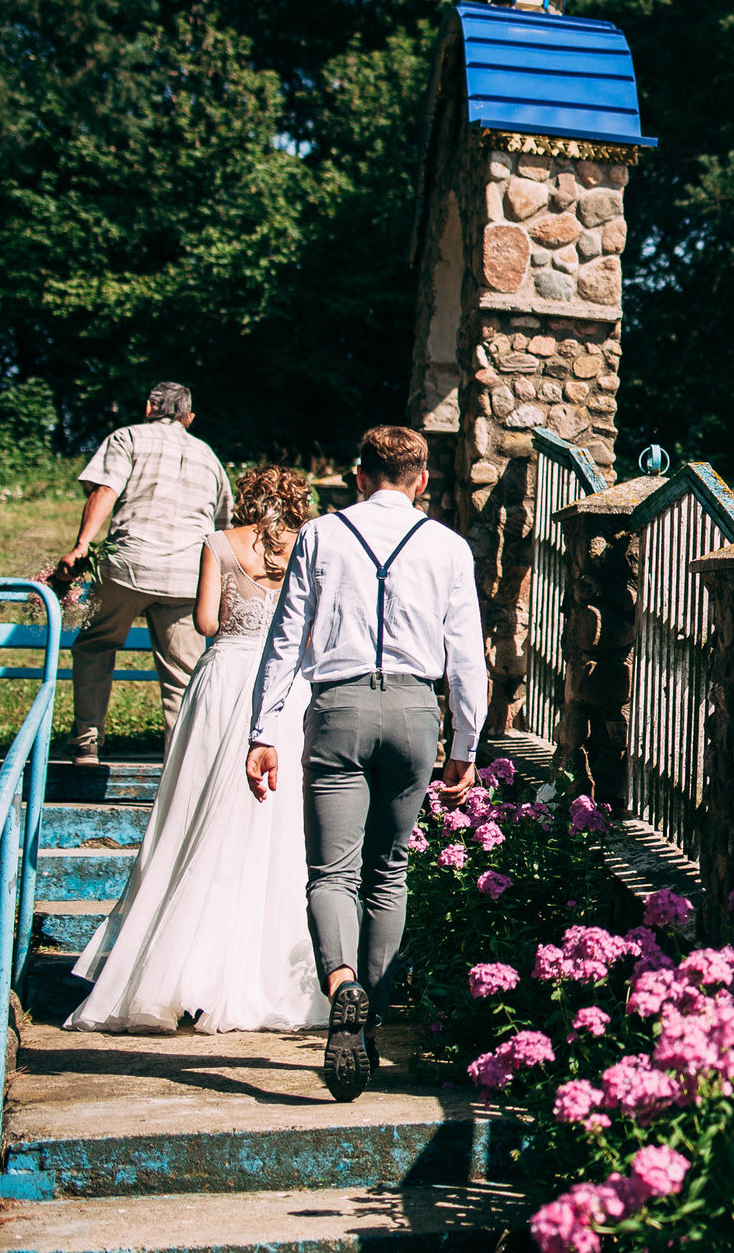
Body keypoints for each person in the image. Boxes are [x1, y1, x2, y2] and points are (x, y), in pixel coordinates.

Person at [247, 425, 484, 1100]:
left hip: (339, 710)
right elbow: (466, 654)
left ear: (359, 476)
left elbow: (286, 638)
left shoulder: (322, 535)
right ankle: (371, 1018)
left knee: (331, 872)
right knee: (389, 869)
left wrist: (263, 729)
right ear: (422, 483)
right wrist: (465, 744)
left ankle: (342, 984)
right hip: (414, 714)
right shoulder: (447, 545)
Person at [67, 467, 327, 1034]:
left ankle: (177, 971)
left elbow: (207, 622)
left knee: (197, 812)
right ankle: (276, 974)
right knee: (280, 824)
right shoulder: (312, 541)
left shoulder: (218, 543)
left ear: (248, 498)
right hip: (287, 688)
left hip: (226, 677)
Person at [57, 382, 234, 764]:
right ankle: (179, 763)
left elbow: (104, 490)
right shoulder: (209, 456)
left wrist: (82, 546)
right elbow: (223, 527)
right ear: (188, 418)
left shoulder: (127, 438)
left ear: (150, 406)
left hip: (129, 565)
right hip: (188, 576)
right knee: (182, 674)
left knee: (96, 644)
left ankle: (87, 739)